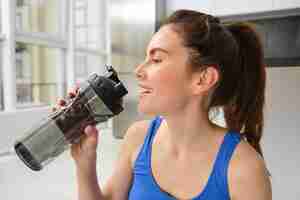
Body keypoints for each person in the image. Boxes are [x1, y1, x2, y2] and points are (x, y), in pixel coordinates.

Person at [64, 9, 272, 200]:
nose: (138, 70)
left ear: (203, 79)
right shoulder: (137, 137)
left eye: (156, 60)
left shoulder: (244, 167)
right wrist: (85, 163)